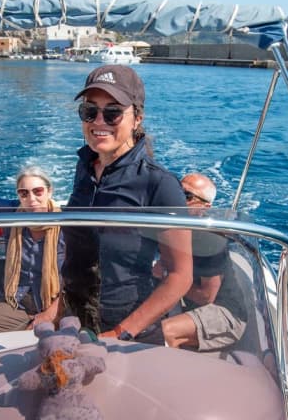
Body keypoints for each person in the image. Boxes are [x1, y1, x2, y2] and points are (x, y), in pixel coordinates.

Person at [63, 64, 192, 342]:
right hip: (76, 316)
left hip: (128, 327)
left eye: (112, 112)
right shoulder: (84, 168)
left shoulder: (159, 184)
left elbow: (180, 276)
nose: (99, 121)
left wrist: (120, 333)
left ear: (137, 119)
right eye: (90, 111)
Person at [0, 166, 66, 353]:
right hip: (18, 301)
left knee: (54, 345)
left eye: (38, 191)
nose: (32, 199)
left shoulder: (69, 223)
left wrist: (49, 314)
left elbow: (78, 275)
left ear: (49, 191)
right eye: (24, 193)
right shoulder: (13, 213)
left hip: (58, 302)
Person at [159, 173, 248, 350]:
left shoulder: (210, 239)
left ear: (204, 208)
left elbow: (206, 297)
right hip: (189, 301)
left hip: (225, 312)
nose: (177, 198)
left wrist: (167, 276)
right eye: (177, 191)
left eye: (187, 196)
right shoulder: (173, 227)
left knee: (164, 331)